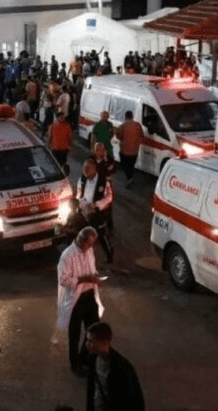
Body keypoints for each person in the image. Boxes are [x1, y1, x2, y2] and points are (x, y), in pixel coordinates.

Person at [57, 226, 104, 375]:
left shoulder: (88, 250)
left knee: (93, 328)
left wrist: (95, 277)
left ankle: (84, 357)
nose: (91, 247)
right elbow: (63, 280)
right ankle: (75, 365)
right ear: (82, 240)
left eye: (92, 244)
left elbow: (92, 267)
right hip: (76, 300)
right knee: (75, 334)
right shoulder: (67, 255)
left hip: (89, 295)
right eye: (89, 244)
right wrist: (85, 279)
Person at [86, 322, 145, 411]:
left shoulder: (123, 368)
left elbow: (136, 401)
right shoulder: (92, 359)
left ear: (104, 342)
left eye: (91, 341)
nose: (87, 344)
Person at [77, 158, 114, 264]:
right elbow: (79, 194)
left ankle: (109, 253)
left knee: (101, 234)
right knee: (83, 234)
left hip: (98, 213)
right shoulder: (82, 180)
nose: (85, 170)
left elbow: (109, 197)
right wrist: (82, 204)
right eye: (84, 168)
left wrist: (96, 205)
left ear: (94, 169)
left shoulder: (103, 181)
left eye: (88, 168)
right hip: (85, 212)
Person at [116, 110, 144, 188]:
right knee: (131, 165)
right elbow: (141, 136)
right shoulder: (138, 125)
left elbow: (118, 136)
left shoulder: (122, 126)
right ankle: (130, 178)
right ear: (132, 116)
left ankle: (129, 178)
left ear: (125, 117)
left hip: (124, 151)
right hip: (135, 151)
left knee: (125, 165)